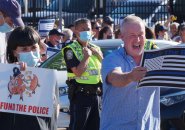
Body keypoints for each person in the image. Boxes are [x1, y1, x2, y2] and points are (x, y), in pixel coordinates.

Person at [100, 15, 160, 130]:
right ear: (122, 37)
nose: (137, 39)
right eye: (132, 35)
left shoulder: (155, 59)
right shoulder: (112, 59)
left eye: (140, 35)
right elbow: (114, 78)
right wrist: (130, 76)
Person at [0, 26, 59, 130]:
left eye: (33, 47)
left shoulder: (48, 75)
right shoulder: (5, 74)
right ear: (14, 52)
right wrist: (10, 73)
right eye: (24, 49)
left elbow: (55, 109)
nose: (30, 52)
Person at [62, 18, 103, 130]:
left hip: (96, 95)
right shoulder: (70, 49)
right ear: (76, 31)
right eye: (83, 29)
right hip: (81, 96)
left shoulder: (96, 48)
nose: (86, 31)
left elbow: (104, 69)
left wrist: (99, 56)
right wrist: (86, 57)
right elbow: (78, 72)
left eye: (88, 29)